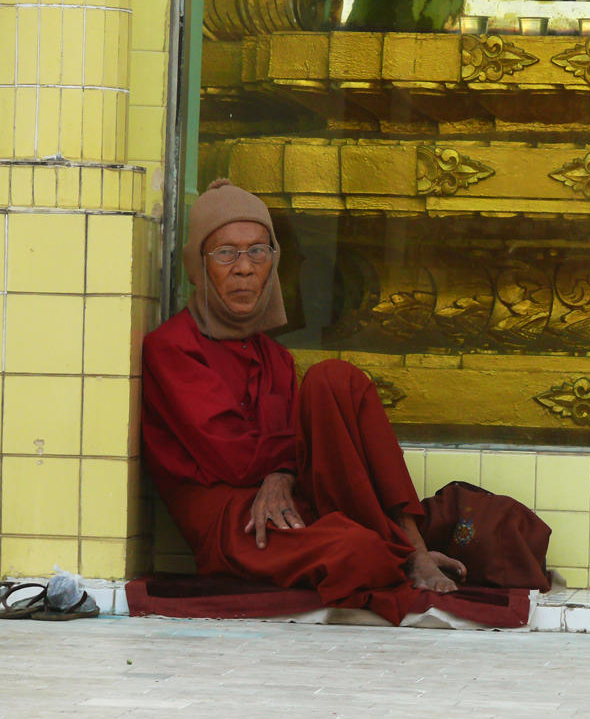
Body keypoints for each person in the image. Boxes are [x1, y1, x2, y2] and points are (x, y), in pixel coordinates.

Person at [141, 180, 468, 623]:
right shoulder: (173, 347)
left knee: (336, 379)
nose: (243, 268)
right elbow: (234, 459)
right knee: (360, 552)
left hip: (287, 506)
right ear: (199, 266)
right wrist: (284, 467)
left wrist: (284, 472)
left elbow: (292, 448)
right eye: (225, 253)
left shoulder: (273, 356)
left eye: (258, 252)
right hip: (238, 525)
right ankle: (398, 553)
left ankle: (414, 547)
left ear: (273, 264)